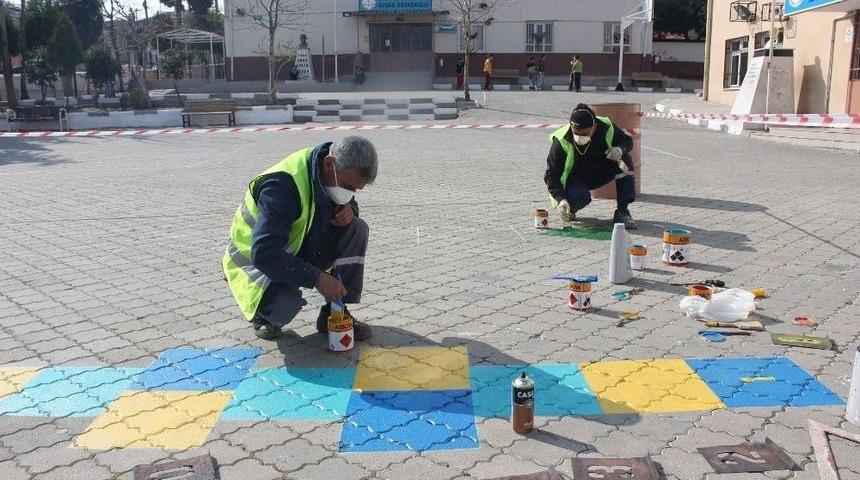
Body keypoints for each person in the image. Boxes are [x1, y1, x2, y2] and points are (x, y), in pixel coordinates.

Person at [222, 136, 379, 339]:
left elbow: (342, 203)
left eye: (355, 191)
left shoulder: (332, 173)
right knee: (284, 305)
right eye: (348, 187)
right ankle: (264, 316)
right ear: (329, 164)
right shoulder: (281, 187)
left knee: (356, 228)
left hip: (295, 247)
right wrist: (318, 278)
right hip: (256, 263)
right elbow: (265, 253)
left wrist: (350, 211)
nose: (349, 193)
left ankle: (334, 312)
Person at [544, 103, 637, 229]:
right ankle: (569, 208)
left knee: (625, 162)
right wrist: (561, 199)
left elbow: (627, 141)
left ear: (594, 127)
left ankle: (622, 212)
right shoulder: (561, 140)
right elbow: (551, 174)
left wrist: (619, 150)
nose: (579, 137)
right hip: (575, 179)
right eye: (576, 132)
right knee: (580, 197)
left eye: (585, 133)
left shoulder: (606, 127)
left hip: (599, 172)